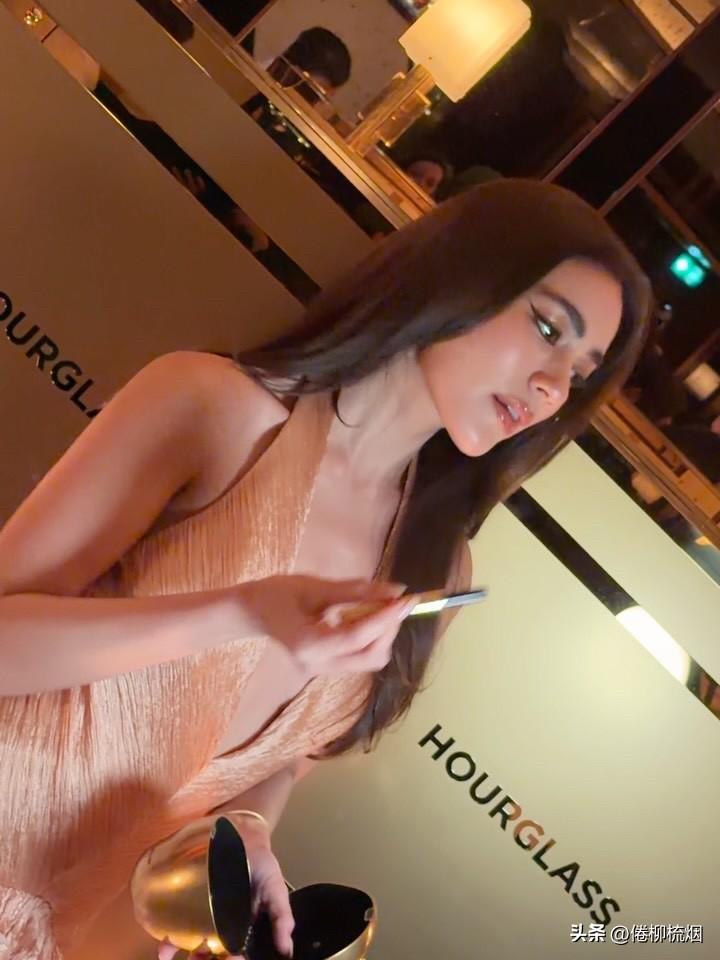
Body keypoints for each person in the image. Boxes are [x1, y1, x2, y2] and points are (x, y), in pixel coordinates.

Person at [0, 180, 651, 959]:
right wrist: (239, 610)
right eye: (546, 327)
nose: (551, 387)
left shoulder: (436, 572)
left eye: (579, 373)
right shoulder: (218, 408)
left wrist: (247, 828)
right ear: (457, 278)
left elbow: (281, 763)